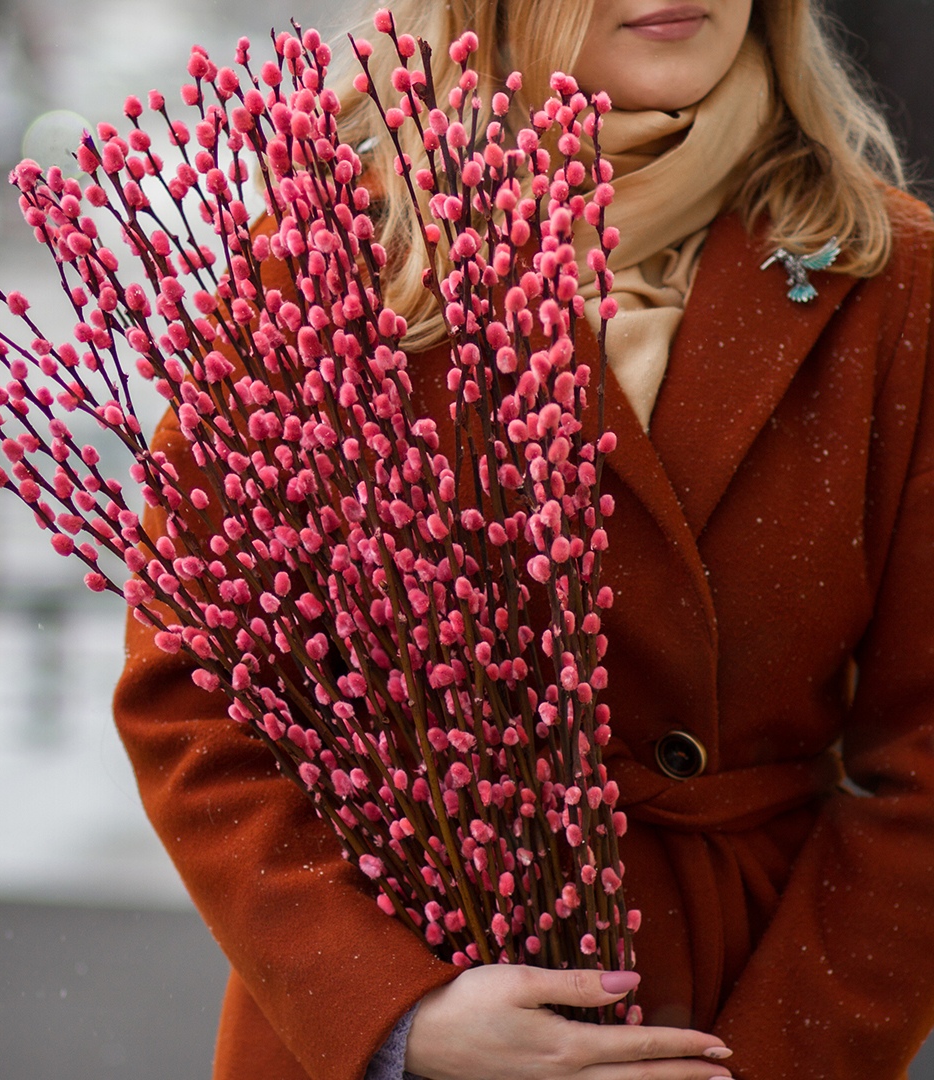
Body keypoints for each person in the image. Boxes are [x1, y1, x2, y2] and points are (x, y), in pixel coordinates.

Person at [112, 1, 934, 1077]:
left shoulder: (891, 280)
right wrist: (402, 1018)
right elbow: (195, 698)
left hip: (744, 998)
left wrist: (775, 1058)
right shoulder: (334, 262)